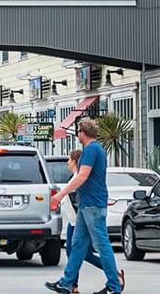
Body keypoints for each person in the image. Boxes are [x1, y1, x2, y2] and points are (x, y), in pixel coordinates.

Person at [46, 119, 124, 294]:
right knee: (77, 245)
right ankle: (67, 283)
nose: (77, 135)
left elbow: (82, 177)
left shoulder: (90, 150)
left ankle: (114, 285)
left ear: (82, 132)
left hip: (93, 205)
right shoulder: (97, 149)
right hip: (86, 204)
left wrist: (60, 194)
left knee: (102, 245)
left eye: (78, 132)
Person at [59, 149, 105, 294]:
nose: (67, 162)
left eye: (69, 159)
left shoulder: (78, 178)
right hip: (73, 222)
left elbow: (77, 202)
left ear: (74, 161)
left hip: (80, 222)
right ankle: (72, 285)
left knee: (82, 254)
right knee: (76, 253)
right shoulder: (75, 177)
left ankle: (113, 274)